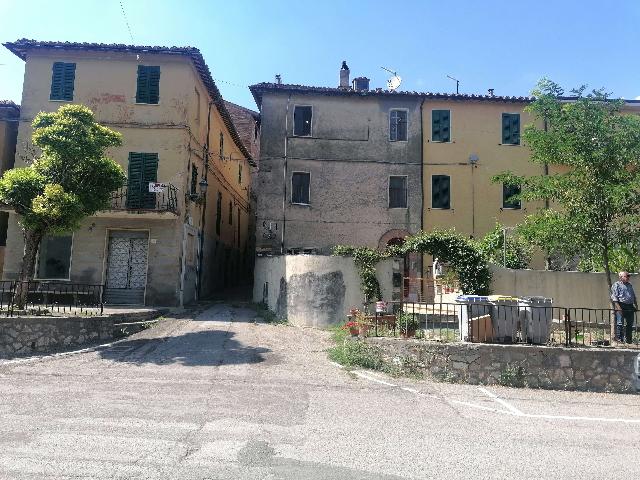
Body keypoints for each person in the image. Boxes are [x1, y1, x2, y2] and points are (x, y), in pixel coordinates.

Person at [610, 271, 637, 344]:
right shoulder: (616, 285)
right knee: (620, 323)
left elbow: (633, 296)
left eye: (628, 276)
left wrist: (635, 304)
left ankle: (629, 340)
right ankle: (620, 340)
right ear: (621, 277)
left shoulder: (629, 285)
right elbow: (614, 297)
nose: (628, 277)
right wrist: (618, 308)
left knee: (630, 324)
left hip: (630, 306)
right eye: (626, 276)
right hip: (621, 305)